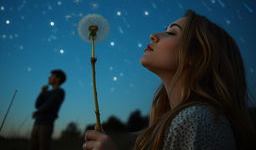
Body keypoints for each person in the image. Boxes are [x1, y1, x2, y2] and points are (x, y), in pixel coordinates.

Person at [83, 10, 256, 150]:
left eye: (171, 32)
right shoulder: (187, 120)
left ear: (196, 56)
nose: (153, 35)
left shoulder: (197, 121)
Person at [30, 69, 66, 150]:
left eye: (52, 76)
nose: (49, 78)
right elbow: (37, 105)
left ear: (58, 79)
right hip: (37, 123)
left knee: (44, 147)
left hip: (46, 124)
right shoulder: (47, 92)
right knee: (33, 146)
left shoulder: (60, 92)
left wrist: (37, 113)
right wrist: (42, 92)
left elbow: (49, 105)